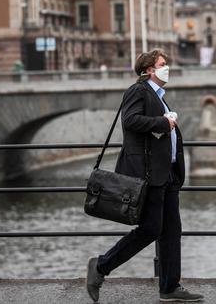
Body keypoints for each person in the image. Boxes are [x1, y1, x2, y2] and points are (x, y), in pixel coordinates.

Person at [86, 49, 203, 302]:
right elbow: (130, 121)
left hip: (168, 172)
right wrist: (163, 122)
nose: (167, 68)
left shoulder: (159, 96)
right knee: (151, 229)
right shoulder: (138, 90)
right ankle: (101, 266)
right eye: (162, 64)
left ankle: (170, 287)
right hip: (150, 173)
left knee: (172, 230)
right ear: (149, 69)